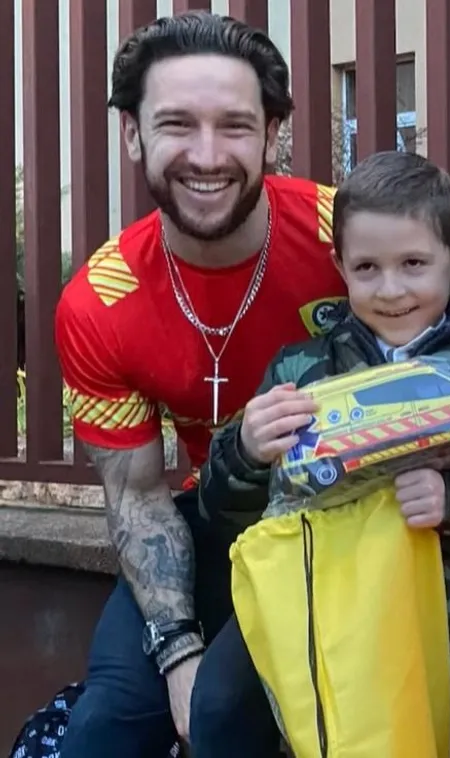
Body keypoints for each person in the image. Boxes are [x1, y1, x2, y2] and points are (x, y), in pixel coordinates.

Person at [52, 12, 348, 757]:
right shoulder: (100, 302)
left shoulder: (349, 236)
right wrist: (178, 655)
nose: (207, 156)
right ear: (132, 134)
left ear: (273, 134)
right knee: (104, 734)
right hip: (216, 518)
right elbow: (138, 497)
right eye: (177, 124)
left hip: (356, 521)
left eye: (236, 126)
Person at [198, 150, 450, 756]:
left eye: (414, 263)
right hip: (321, 631)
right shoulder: (301, 370)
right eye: (367, 267)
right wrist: (245, 453)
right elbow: (229, 521)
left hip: (446, 641)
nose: (390, 289)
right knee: (222, 704)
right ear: (339, 265)